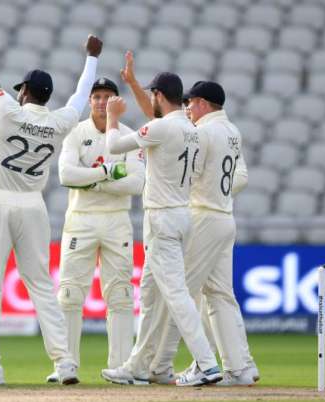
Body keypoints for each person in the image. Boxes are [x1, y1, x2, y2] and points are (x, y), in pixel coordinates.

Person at [0, 2, 102, 385]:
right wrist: (92, 58)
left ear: (23, 92)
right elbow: (81, 94)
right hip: (34, 207)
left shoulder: (10, 111)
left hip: (2, 200)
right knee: (41, 286)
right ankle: (66, 363)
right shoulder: (60, 122)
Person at [100, 69, 223, 386]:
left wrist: (112, 116)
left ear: (158, 96)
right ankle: (137, 367)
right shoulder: (191, 129)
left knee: (176, 294)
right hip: (181, 214)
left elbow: (114, 145)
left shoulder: (161, 127)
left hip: (163, 218)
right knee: (152, 296)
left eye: (151, 95)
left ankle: (207, 363)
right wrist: (132, 83)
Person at [146, 81, 257, 386]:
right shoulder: (233, 131)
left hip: (204, 217)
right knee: (221, 295)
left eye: (191, 103)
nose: (187, 109)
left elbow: (186, 174)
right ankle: (240, 367)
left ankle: (164, 365)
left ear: (204, 104)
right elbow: (241, 175)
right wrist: (217, 194)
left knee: (182, 292)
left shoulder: (203, 132)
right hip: (224, 216)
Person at [48, 77, 145, 383]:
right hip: (81, 219)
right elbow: (65, 174)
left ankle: (120, 366)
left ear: (118, 102)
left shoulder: (129, 136)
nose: (103, 102)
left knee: (120, 294)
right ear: (89, 100)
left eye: (108, 97)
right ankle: (66, 366)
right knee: (70, 294)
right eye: (97, 96)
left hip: (117, 220)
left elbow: (137, 182)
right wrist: (105, 173)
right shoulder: (76, 133)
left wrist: (91, 180)